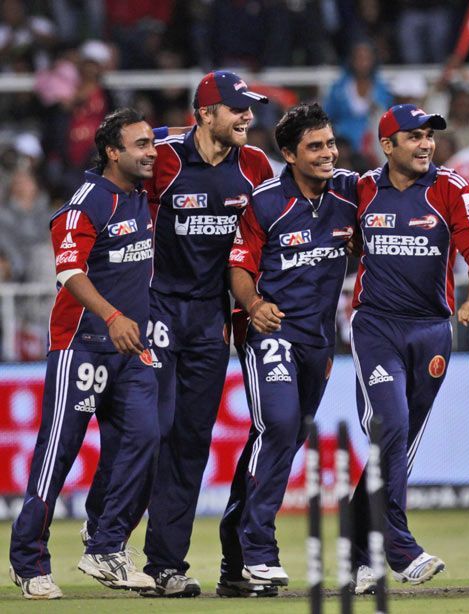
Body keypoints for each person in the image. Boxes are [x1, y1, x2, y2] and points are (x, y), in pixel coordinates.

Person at [9, 108, 160, 599]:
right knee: (58, 454)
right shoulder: (87, 202)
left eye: (151, 143)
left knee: (143, 439)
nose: (151, 152)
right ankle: (29, 562)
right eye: (140, 145)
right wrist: (113, 316)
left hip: (131, 349)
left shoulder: (141, 194)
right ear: (112, 152)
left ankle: (106, 546)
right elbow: (69, 273)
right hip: (81, 346)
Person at [349, 103, 469, 594]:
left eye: (428, 136)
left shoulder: (451, 187)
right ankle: (401, 549)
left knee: (394, 447)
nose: (425, 144)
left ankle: (358, 548)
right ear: (387, 145)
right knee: (390, 425)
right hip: (375, 328)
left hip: (432, 331)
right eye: (413, 136)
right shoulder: (362, 189)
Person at [138, 70, 272, 597]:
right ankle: (105, 533)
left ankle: (163, 566)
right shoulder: (162, 156)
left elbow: (270, 230)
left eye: (249, 108)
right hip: (156, 307)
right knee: (152, 429)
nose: (247, 117)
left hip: (210, 319)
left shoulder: (256, 166)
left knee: (191, 441)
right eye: (237, 108)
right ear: (205, 114)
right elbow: (106, 187)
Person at [218, 102, 359, 593]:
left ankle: (234, 552)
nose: (328, 154)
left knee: (283, 438)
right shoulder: (264, 203)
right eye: (315, 147)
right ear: (288, 154)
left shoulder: (349, 194)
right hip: (271, 332)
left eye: (330, 144)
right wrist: (254, 304)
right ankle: (258, 550)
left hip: (319, 341)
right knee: (276, 425)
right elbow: (238, 265)